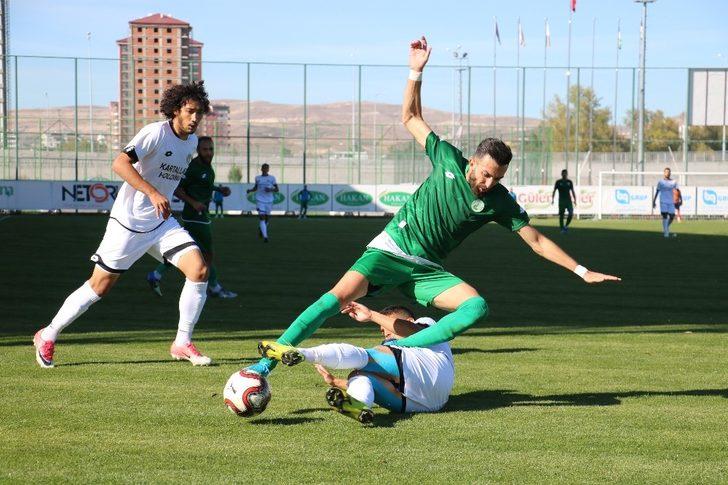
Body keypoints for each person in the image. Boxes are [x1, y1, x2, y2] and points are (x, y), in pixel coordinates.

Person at [244, 36, 620, 379]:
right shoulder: (448, 159)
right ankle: (265, 363)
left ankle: (400, 348)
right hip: (391, 250)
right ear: (473, 162)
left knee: (476, 307)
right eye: (487, 174)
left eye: (497, 178)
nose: (489, 183)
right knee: (335, 298)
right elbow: (410, 117)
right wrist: (415, 71)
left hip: (426, 272)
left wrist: (581, 270)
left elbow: (536, 240)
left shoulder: (499, 201)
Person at [33, 81, 214, 368]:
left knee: (199, 269)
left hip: (161, 224)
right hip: (128, 224)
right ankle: (48, 333)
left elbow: (168, 179)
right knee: (99, 287)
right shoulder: (155, 133)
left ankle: (182, 342)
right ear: (177, 109)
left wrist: (164, 197)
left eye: (199, 114)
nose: (195, 119)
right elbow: (119, 164)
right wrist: (152, 192)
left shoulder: (191, 143)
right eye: (190, 112)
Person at [259, 301, 454, 423]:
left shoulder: (426, 321)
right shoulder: (403, 352)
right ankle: (360, 406)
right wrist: (336, 383)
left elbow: (418, 333)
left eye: (388, 326)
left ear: (410, 320)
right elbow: (397, 379)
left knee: (364, 356)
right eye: (382, 329)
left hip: (427, 370)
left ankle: (300, 353)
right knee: (358, 376)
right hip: (429, 403)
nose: (384, 331)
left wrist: (372, 316)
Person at [146, 136, 237, 299]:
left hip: (199, 215)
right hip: (195, 217)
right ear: (198, 151)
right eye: (205, 149)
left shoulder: (207, 168)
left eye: (211, 149)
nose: (209, 153)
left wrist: (219, 190)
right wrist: (194, 203)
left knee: (189, 251)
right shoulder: (192, 167)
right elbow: (178, 189)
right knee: (207, 254)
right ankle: (212, 287)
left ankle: (157, 274)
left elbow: (203, 184)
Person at [246, 163, 278, 242]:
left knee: (267, 219)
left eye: (267, 168)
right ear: (261, 169)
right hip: (260, 200)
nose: (265, 169)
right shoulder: (257, 178)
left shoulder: (272, 178)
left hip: (269, 201)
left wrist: (270, 189)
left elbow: (277, 189)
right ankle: (265, 237)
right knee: (262, 218)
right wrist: (250, 190)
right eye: (264, 168)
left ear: (268, 169)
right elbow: (256, 188)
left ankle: (262, 229)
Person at [652, 167, 679, 237]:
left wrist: (678, 199)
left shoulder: (674, 182)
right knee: (665, 216)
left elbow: (677, 191)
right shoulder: (660, 182)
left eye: (668, 172)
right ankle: (666, 232)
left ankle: (665, 228)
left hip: (671, 202)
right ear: (664, 173)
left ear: (670, 173)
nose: (667, 173)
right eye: (666, 172)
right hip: (663, 201)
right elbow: (657, 191)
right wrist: (654, 201)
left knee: (672, 216)